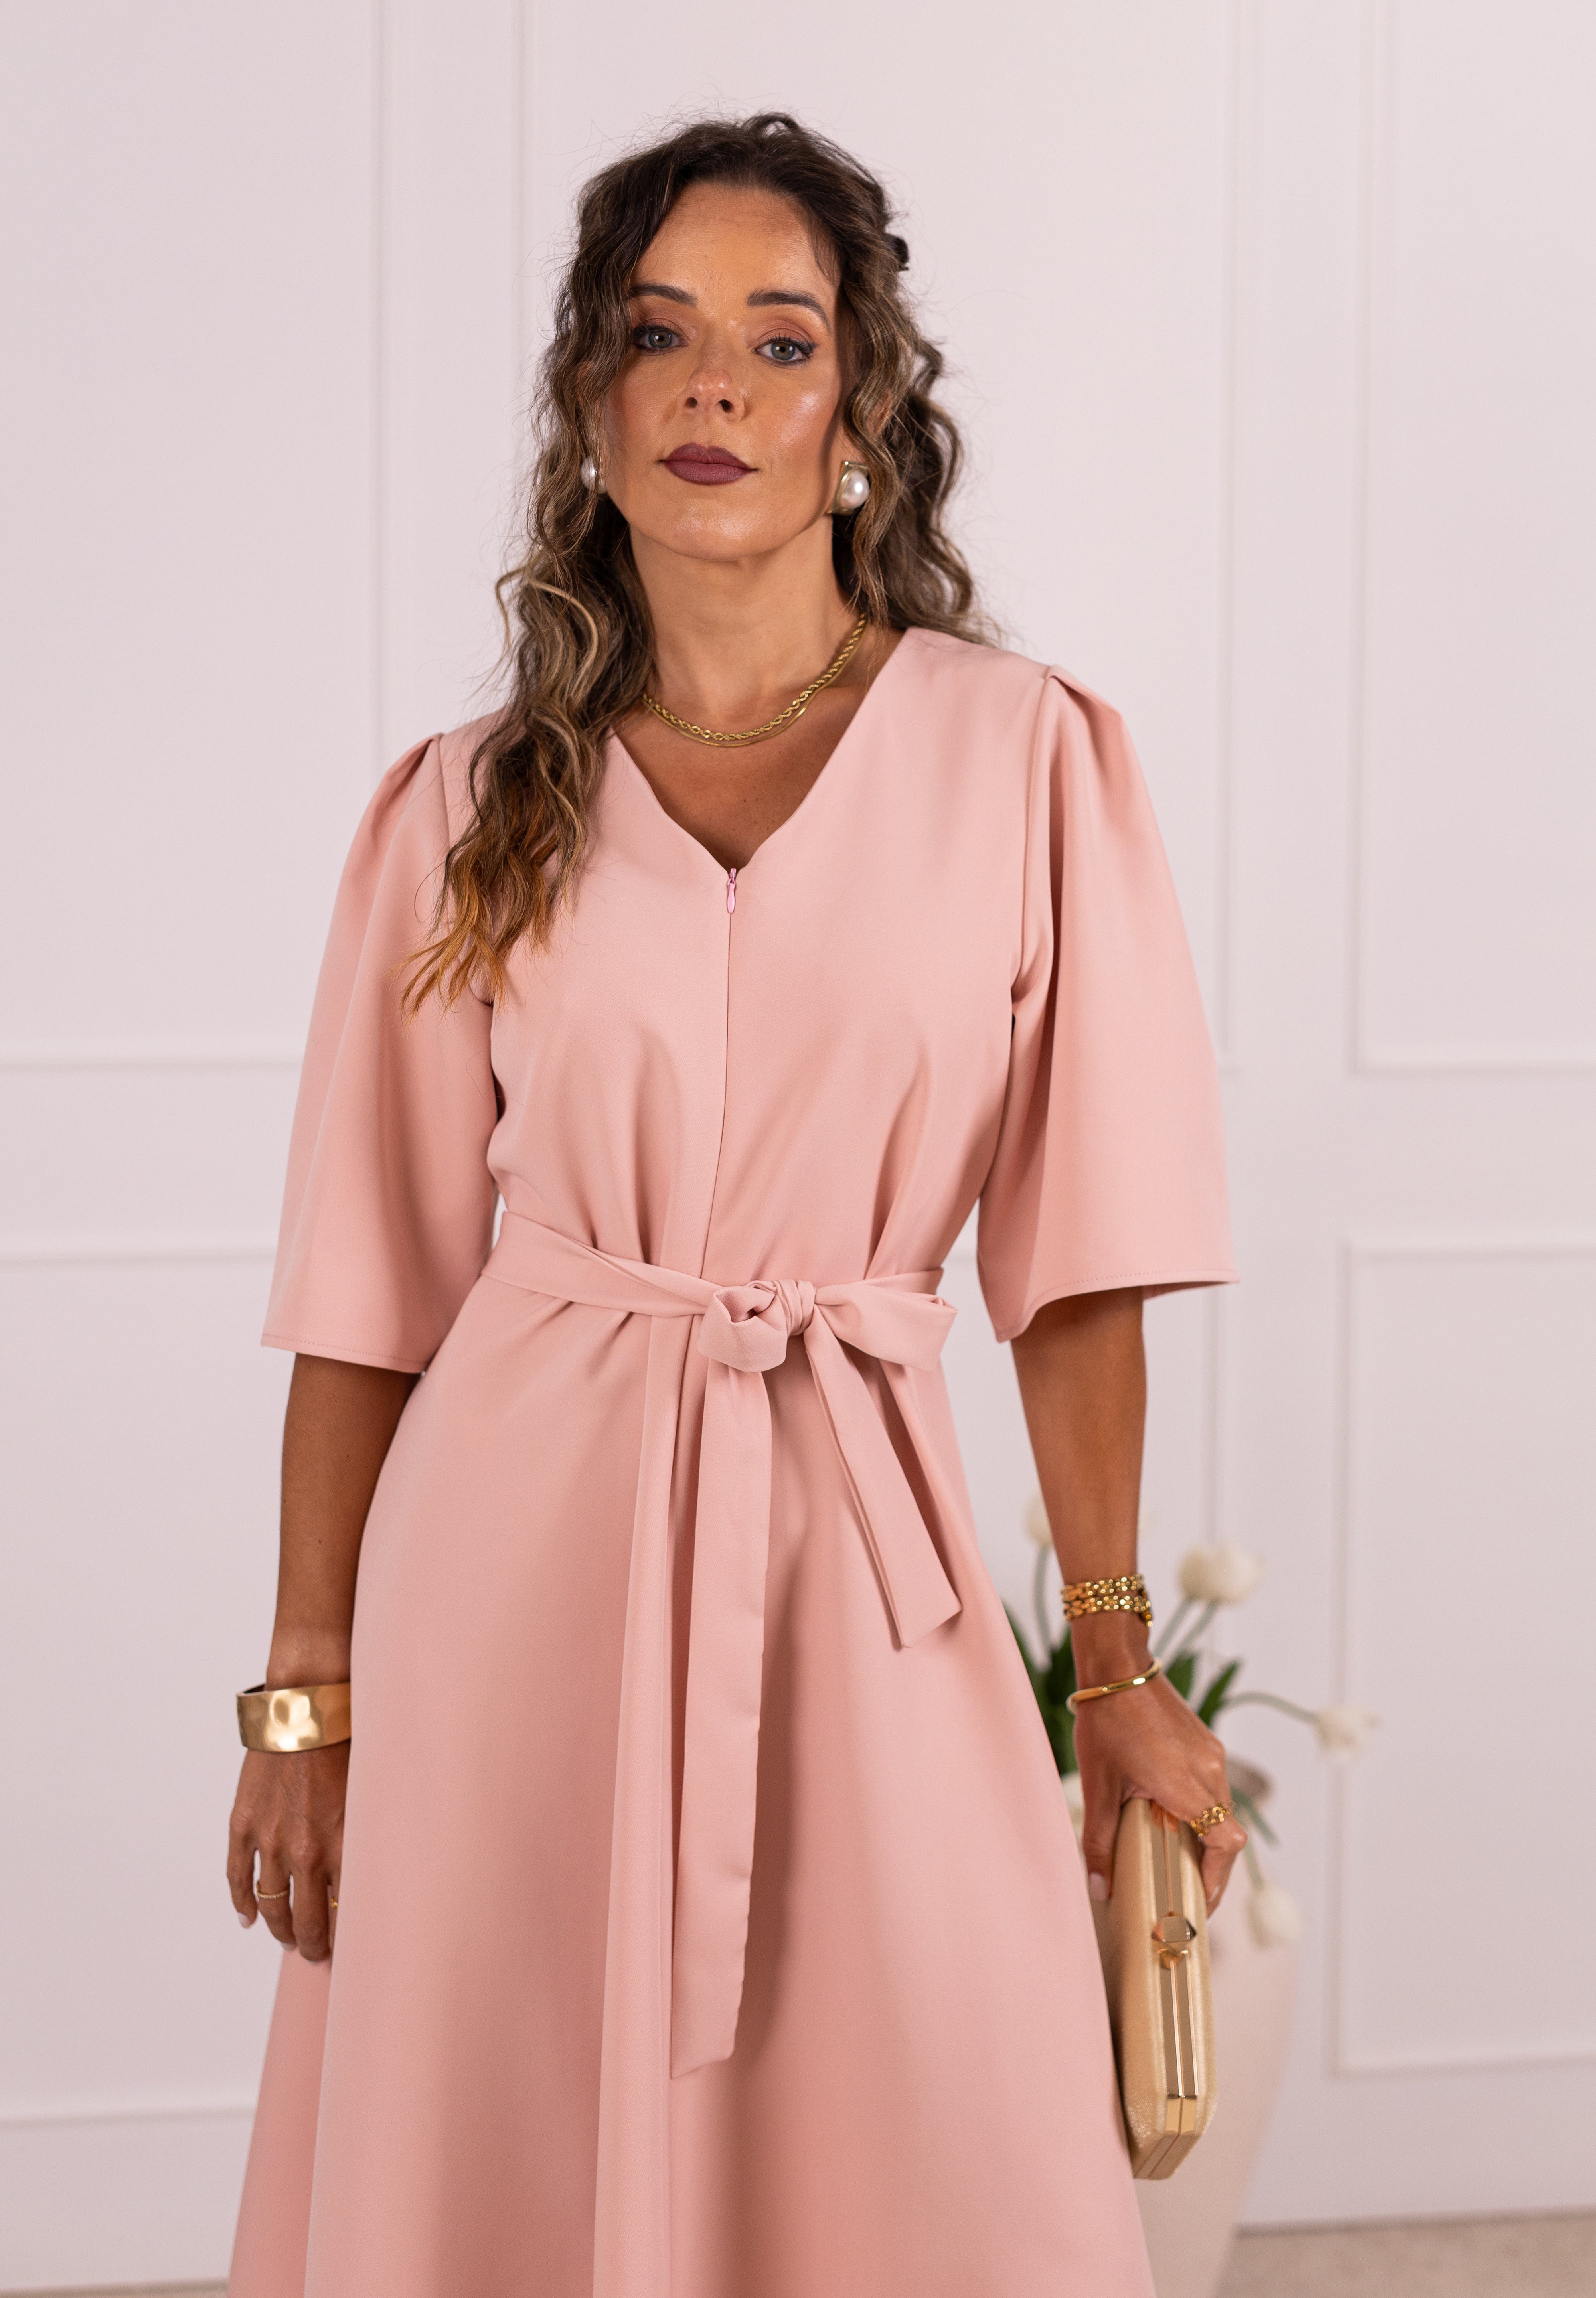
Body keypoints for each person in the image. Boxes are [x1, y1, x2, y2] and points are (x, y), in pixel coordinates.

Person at [225, 110, 1243, 2298]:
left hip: (864, 1566)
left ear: (861, 418)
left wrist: (1117, 1665)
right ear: (591, 408)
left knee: (928, 2110)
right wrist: (306, 1698)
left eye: (781, 343)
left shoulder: (1027, 760)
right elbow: (368, 1294)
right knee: (501, 2117)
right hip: (509, 1564)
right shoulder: (466, 807)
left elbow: (1075, 1269)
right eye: (657, 333)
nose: (715, 388)